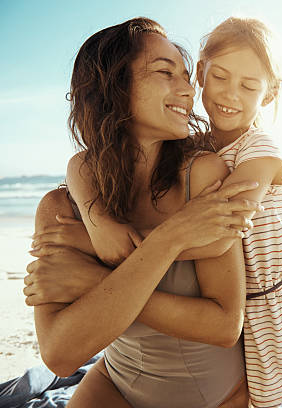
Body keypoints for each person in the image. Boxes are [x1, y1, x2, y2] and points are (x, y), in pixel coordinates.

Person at [56, 16, 282, 408]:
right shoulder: (191, 144)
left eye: (249, 86)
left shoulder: (260, 152)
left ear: (269, 94)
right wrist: (100, 224)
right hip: (247, 311)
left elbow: (218, 233)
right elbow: (80, 166)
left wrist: (96, 247)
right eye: (220, 78)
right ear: (200, 73)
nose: (231, 94)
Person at [24, 17, 265, 408]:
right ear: (113, 89)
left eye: (187, 76)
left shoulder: (202, 176)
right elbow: (60, 355)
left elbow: (224, 325)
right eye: (165, 73)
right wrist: (170, 238)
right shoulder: (63, 210)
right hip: (114, 382)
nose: (188, 91)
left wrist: (94, 280)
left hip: (214, 397)